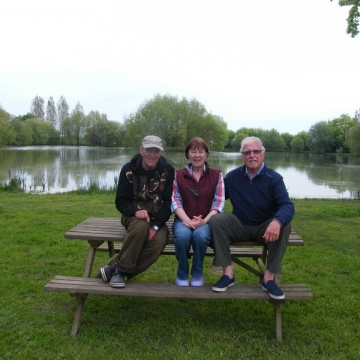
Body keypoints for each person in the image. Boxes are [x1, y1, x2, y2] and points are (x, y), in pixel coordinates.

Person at [209, 136, 294, 299]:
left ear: (263, 154)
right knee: (216, 220)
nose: (252, 155)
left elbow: (287, 205)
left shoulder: (274, 178)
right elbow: (216, 198)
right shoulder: (233, 177)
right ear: (242, 156)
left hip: (264, 228)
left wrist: (276, 221)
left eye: (256, 151)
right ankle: (228, 274)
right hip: (239, 224)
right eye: (247, 152)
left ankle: (269, 278)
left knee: (284, 224)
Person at [100, 135, 175, 288]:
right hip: (132, 217)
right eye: (148, 150)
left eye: (156, 151)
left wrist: (156, 226)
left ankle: (116, 269)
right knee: (141, 227)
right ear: (141, 150)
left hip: (157, 220)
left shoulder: (168, 171)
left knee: (159, 242)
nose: (152, 155)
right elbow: (120, 202)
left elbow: (169, 203)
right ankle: (120, 270)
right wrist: (136, 211)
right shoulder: (128, 170)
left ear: (160, 153)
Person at [171, 137, 225, 287]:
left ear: (206, 154)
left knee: (201, 236)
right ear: (187, 154)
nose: (197, 155)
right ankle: (182, 272)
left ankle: (197, 272)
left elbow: (219, 202)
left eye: (201, 151)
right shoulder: (179, 175)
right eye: (193, 151)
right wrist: (187, 220)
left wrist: (205, 220)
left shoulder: (217, 175)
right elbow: (175, 201)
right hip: (183, 219)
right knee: (182, 236)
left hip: (206, 220)